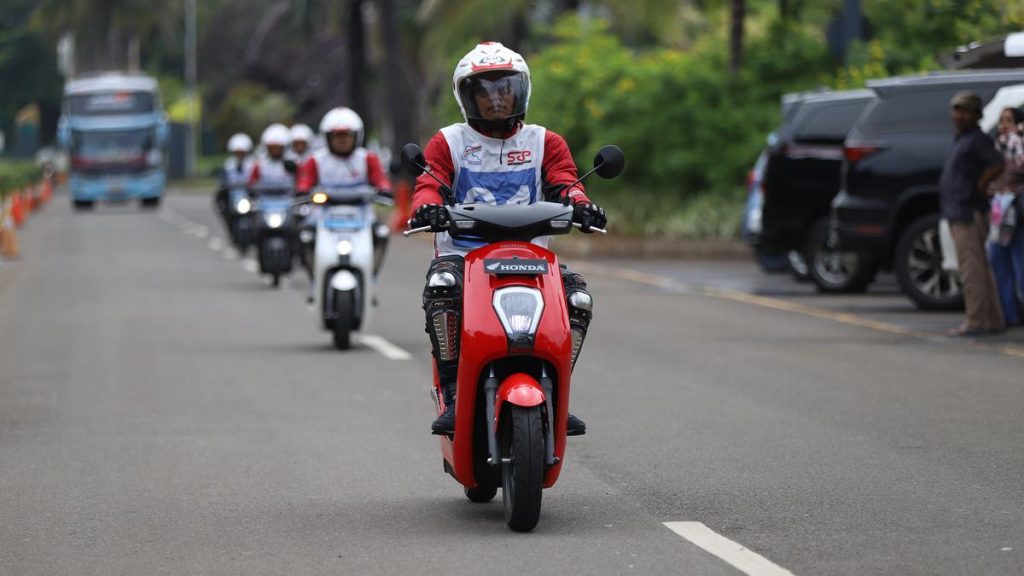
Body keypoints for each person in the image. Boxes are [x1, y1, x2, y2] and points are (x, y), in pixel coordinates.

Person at [409, 42, 607, 435]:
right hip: (464, 260)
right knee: (440, 285)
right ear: (467, 98)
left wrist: (582, 204)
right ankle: (452, 394)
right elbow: (428, 184)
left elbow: (566, 182)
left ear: (522, 91)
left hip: (530, 259)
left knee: (577, 297)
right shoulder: (448, 141)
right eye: (484, 91)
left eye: (504, 89)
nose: (496, 99)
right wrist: (426, 207)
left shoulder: (545, 141)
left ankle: (558, 394)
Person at [295, 107, 393, 300]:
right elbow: (304, 180)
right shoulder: (316, 160)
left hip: (361, 212)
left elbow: (381, 180)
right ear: (327, 138)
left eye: (346, 136)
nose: (342, 140)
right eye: (337, 136)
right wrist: (303, 190)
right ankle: (315, 280)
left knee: (381, 233)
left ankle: (370, 278)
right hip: (323, 212)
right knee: (305, 235)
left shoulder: (368, 158)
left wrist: (384, 190)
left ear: (356, 136)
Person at [939, 91, 1005, 336]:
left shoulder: (977, 139)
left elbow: (997, 163)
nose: (958, 115)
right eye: (956, 110)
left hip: (968, 212)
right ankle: (992, 319)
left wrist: (980, 183)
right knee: (980, 268)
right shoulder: (962, 139)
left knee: (972, 269)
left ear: (976, 114)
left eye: (964, 110)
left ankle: (976, 321)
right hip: (958, 210)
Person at [987, 107, 1024, 327]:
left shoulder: (1016, 143)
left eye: (1009, 120)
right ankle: (1009, 313)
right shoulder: (996, 146)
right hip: (1000, 214)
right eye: (1001, 120)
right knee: (999, 262)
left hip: (1017, 213)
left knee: (1019, 266)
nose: (1004, 125)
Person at [216, 133, 254, 217]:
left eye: (242, 152)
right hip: (233, 194)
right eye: (237, 152)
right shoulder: (228, 164)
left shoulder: (252, 164)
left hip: (247, 194)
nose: (239, 154)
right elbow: (223, 180)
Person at [248, 124, 294, 188]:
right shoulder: (260, 164)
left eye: (277, 147)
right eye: (271, 148)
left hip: (287, 197)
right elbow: (252, 182)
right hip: (264, 197)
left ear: (284, 147)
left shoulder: (292, 162)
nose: (274, 150)